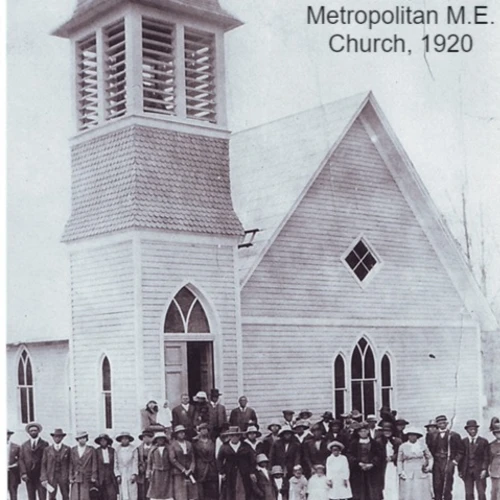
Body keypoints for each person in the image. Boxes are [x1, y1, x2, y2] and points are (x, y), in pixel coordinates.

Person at [428, 415, 464, 500]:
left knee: (447, 484)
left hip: (448, 461)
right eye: (439, 423)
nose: (442, 425)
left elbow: (461, 451)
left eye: (443, 423)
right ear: (437, 424)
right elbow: (429, 450)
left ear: (447, 423)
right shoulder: (431, 435)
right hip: (436, 462)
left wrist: (455, 461)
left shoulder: (454, 435)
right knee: (436, 484)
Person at [347, 421, 384, 500]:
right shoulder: (354, 443)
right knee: (359, 492)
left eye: (365, 431)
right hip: (358, 471)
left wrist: (372, 464)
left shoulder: (374, 443)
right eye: (361, 431)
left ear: (368, 431)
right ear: (358, 433)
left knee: (372, 492)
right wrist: (358, 463)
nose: (363, 433)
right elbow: (349, 455)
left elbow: (379, 455)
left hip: (372, 471)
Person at [216, 426, 256, 500]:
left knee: (245, 490)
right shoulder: (224, 447)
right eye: (232, 435)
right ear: (229, 436)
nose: (234, 437)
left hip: (244, 472)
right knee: (230, 492)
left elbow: (252, 460)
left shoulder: (246, 446)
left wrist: (251, 472)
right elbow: (219, 460)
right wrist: (222, 472)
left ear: (240, 436)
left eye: (237, 435)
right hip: (229, 473)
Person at [397, 427, 433, 500]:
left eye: (414, 435)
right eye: (410, 435)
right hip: (407, 471)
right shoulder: (403, 446)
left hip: (420, 471)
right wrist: (400, 472)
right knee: (408, 491)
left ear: (417, 436)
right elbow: (399, 460)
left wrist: (429, 467)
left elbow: (430, 457)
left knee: (420, 491)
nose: (412, 437)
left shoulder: (422, 445)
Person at [459, 420, 489, 500]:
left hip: (479, 471)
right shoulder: (463, 442)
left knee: (481, 492)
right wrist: (460, 470)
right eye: (470, 429)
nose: (472, 431)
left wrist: (484, 469)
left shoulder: (483, 441)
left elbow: (486, 457)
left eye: (474, 429)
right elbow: (461, 457)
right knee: (468, 493)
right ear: (467, 430)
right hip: (467, 471)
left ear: (477, 429)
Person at [19, 422, 49, 500]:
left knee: (42, 496)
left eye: (35, 430)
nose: (33, 432)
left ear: (38, 431)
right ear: (28, 432)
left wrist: (44, 475)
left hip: (40, 475)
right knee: (31, 496)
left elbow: (47, 460)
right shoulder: (24, 445)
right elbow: (21, 460)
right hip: (29, 476)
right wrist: (23, 473)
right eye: (31, 431)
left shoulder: (44, 444)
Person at [40, 428, 71, 500]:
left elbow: (70, 464)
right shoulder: (47, 450)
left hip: (63, 476)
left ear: (62, 438)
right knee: (52, 496)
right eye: (55, 436)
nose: (57, 438)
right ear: (53, 438)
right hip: (51, 476)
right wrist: (44, 477)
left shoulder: (67, 449)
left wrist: (69, 476)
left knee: (65, 495)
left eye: (59, 436)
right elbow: (43, 464)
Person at [169, 425, 197, 500]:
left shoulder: (189, 444)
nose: (182, 434)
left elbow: (192, 458)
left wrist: (191, 469)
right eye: (180, 433)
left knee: (191, 495)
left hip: (190, 473)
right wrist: (183, 470)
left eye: (183, 432)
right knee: (180, 495)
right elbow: (173, 459)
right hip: (178, 473)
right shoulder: (173, 445)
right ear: (176, 434)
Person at [375, 421, 402, 500]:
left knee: (394, 482)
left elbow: (400, 453)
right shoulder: (378, 441)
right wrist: (383, 458)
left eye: (389, 431)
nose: (387, 433)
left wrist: (393, 457)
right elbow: (376, 453)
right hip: (383, 465)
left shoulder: (397, 441)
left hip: (394, 465)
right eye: (385, 431)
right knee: (385, 483)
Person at [69, 431, 97, 500]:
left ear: (86, 439)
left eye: (84, 438)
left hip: (86, 476)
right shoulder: (73, 450)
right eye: (80, 438)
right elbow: (71, 464)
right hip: (76, 476)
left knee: (85, 496)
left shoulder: (91, 449)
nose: (82, 440)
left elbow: (94, 463)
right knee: (75, 496)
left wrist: (94, 475)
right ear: (77, 440)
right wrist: (70, 476)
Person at [193, 423, 218, 500]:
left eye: (205, 429)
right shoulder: (195, 443)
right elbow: (194, 456)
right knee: (201, 489)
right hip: (200, 467)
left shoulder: (212, 442)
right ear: (199, 431)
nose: (204, 431)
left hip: (211, 467)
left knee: (212, 489)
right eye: (202, 429)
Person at [94, 433, 119, 500]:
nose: (103, 442)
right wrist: (95, 477)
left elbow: (115, 463)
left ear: (107, 441)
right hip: (100, 476)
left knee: (112, 494)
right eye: (101, 441)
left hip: (110, 475)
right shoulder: (96, 451)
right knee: (102, 495)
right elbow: (95, 465)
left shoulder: (112, 450)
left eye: (104, 440)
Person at [115, 432, 138, 500]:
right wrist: (118, 475)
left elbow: (135, 462)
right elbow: (115, 463)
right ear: (120, 440)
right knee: (123, 492)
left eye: (126, 439)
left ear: (129, 440)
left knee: (132, 492)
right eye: (123, 439)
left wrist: (134, 474)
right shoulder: (117, 449)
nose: (124, 440)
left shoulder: (133, 449)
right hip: (122, 472)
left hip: (130, 471)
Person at [137, 429, 154, 500]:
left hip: (151, 470)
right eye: (144, 437)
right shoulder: (139, 448)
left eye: (148, 437)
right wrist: (140, 466)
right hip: (142, 472)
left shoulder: (154, 448)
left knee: (151, 488)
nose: (146, 439)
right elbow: (136, 459)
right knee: (142, 490)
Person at [8, 429, 21, 500]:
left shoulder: (16, 447)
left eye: (7, 434)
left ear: (10, 435)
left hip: (12, 472)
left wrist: (16, 464)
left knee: (13, 491)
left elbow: (21, 459)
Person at [489, 423, 500, 500]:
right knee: (494, 491)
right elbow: (489, 458)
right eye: (497, 433)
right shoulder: (491, 445)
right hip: (495, 471)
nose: (499, 434)